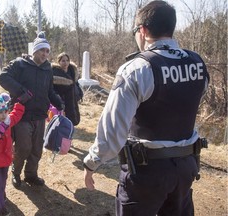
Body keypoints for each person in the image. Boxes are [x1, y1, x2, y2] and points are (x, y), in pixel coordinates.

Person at [83, 1, 210, 216]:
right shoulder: (197, 63)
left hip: (147, 173)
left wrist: (91, 163)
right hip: (186, 168)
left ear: (142, 31)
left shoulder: (137, 69)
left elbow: (113, 132)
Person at [0, 31, 64, 189]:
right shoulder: (20, 64)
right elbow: (2, 77)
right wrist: (21, 92)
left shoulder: (48, 69)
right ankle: (16, 172)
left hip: (40, 115)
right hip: (22, 115)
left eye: (47, 51)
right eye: (42, 50)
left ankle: (31, 175)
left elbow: (49, 91)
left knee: (36, 149)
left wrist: (59, 103)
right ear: (35, 50)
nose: (45, 54)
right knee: (23, 148)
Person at [51, 52, 82, 126]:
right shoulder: (55, 73)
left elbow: (76, 84)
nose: (66, 63)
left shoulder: (72, 71)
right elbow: (52, 89)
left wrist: (80, 93)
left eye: (67, 60)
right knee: (63, 123)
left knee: (73, 118)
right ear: (59, 62)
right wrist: (58, 99)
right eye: (63, 61)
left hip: (73, 99)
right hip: (62, 101)